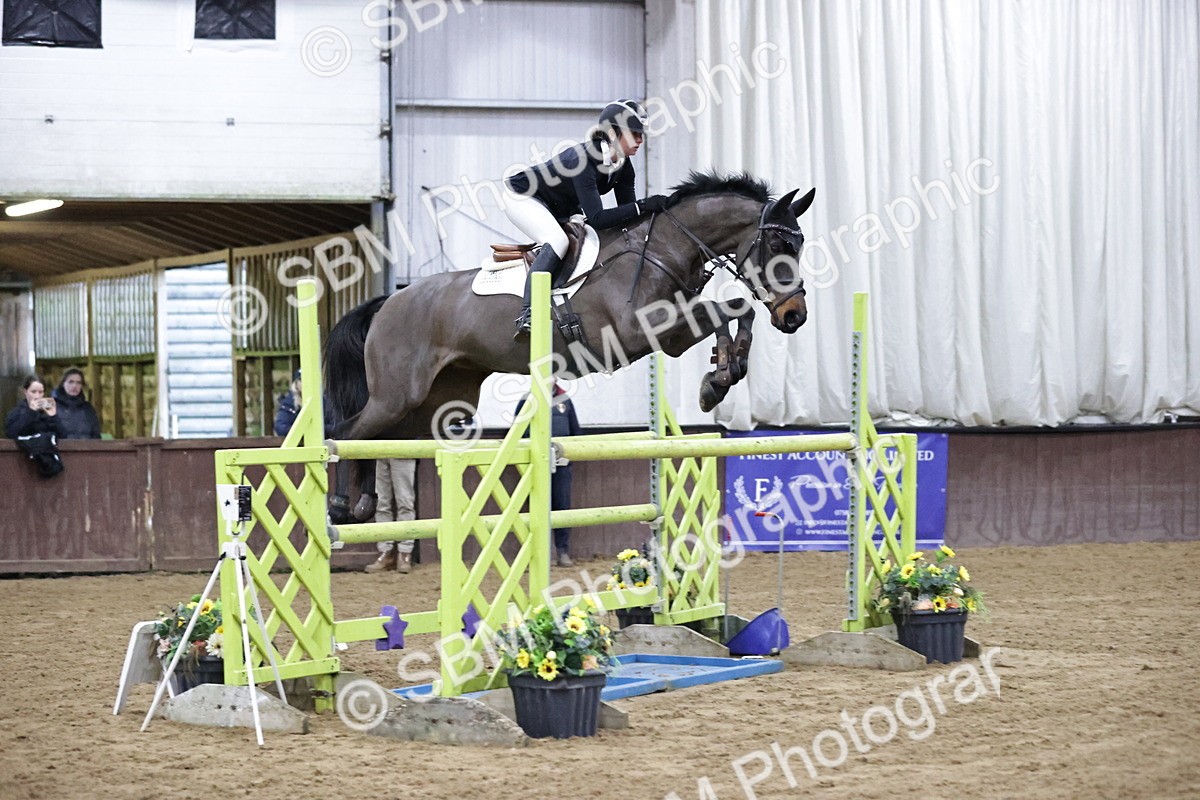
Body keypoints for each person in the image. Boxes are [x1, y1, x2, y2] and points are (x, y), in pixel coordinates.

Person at [504, 99, 669, 338]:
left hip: (559, 203)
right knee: (558, 241)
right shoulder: (583, 161)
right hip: (522, 197)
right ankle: (528, 313)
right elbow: (599, 218)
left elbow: (627, 217)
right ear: (613, 133)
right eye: (634, 134)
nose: (641, 140)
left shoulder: (623, 166)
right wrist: (644, 205)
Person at [514, 382, 582, 567]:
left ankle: (562, 552)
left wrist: (569, 456)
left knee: (562, 506)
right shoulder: (526, 401)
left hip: (561, 466)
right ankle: (532, 554)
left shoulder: (565, 400)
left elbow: (576, 432)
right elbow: (516, 433)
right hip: (534, 465)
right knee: (534, 509)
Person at [365, 458, 417, 574]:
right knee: (382, 503)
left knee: (405, 502)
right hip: (380, 448)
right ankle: (387, 551)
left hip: (403, 448)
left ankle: (404, 552)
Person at [6, 375, 64, 478]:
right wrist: (31, 412)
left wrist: (53, 416)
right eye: (33, 392)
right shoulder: (16, 413)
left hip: (47, 466)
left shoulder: (47, 412)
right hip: (23, 466)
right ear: (25, 392)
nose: (37, 396)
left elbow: (63, 435)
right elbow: (12, 432)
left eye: (40, 392)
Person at [51, 368, 101, 439]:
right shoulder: (52, 406)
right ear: (63, 384)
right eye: (71, 382)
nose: (74, 386)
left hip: (86, 448)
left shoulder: (88, 408)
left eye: (78, 383)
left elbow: (96, 435)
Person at [274, 369, 303, 436]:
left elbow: (331, 426)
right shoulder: (288, 404)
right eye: (301, 380)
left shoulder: (323, 401)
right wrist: (302, 431)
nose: (305, 383)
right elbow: (280, 428)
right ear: (296, 383)